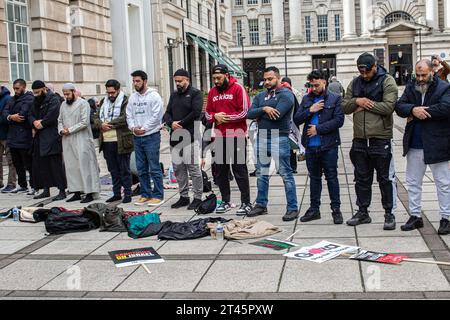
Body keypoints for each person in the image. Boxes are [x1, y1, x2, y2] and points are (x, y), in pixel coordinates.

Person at [342, 52, 398, 231]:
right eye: (361, 72)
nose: (364, 75)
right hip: (359, 138)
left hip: (380, 138)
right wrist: (356, 100)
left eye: (367, 72)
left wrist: (366, 104)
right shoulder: (355, 82)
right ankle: (363, 211)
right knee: (361, 178)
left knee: (385, 178)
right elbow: (344, 106)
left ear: (375, 66)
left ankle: (389, 213)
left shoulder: (387, 81)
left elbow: (389, 107)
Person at [395, 59, 450, 235]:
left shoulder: (443, 87)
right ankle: (415, 215)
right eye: (417, 75)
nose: (420, 78)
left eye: (423, 75)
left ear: (432, 72)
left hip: (437, 143)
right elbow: (399, 106)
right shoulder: (411, 86)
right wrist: (412, 109)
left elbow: (446, 108)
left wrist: (419, 111)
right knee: (413, 182)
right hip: (415, 142)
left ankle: (446, 218)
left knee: (443, 183)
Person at [247, 66, 299, 221]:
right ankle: (261, 205)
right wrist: (265, 108)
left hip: (279, 137)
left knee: (285, 174)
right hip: (262, 136)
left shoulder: (286, 95)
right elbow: (249, 113)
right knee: (261, 173)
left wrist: (261, 114)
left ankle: (292, 208)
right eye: (265, 79)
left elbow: (277, 115)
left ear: (278, 78)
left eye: (270, 79)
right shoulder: (260, 96)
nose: (267, 82)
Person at [294, 70, 345, 224]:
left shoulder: (335, 98)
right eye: (311, 85)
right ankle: (314, 209)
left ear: (324, 82)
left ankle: (336, 210)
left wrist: (318, 129)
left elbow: (339, 121)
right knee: (314, 178)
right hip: (311, 146)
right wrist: (310, 110)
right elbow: (296, 118)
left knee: (331, 177)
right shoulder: (307, 98)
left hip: (328, 145)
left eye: (316, 85)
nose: (314, 88)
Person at [205, 64, 252, 215]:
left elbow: (245, 112)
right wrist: (214, 117)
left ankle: (246, 202)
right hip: (219, 137)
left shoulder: (238, 88)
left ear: (226, 75)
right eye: (214, 78)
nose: (216, 81)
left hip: (236, 135)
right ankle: (225, 201)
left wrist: (223, 118)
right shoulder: (212, 92)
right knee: (221, 171)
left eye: (219, 78)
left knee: (239, 170)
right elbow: (207, 114)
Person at [163, 69, 203, 210]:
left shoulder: (195, 93)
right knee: (178, 170)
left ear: (187, 80)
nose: (178, 83)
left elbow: (196, 112)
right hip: (175, 139)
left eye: (180, 81)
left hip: (190, 137)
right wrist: (170, 123)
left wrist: (180, 123)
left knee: (193, 169)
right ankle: (184, 196)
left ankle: (198, 197)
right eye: (176, 81)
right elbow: (167, 113)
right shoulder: (174, 95)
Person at [126, 70, 165, 207]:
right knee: (141, 168)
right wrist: (132, 128)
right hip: (137, 137)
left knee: (154, 167)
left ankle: (158, 195)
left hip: (151, 136)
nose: (135, 84)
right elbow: (129, 115)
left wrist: (144, 128)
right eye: (134, 81)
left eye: (138, 81)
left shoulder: (154, 96)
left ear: (145, 81)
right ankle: (145, 194)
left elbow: (157, 116)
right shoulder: (132, 97)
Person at [58, 83, 100, 203]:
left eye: (68, 93)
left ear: (73, 91)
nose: (66, 96)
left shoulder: (83, 104)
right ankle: (76, 191)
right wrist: (61, 130)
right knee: (71, 166)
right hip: (67, 139)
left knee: (85, 165)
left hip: (82, 139)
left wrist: (69, 130)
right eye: (64, 94)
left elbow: (84, 122)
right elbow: (59, 120)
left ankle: (89, 192)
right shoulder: (63, 105)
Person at [93, 79, 133, 204]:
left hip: (121, 141)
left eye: (112, 93)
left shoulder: (126, 100)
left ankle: (127, 193)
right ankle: (116, 193)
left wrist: (107, 124)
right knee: (113, 169)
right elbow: (95, 117)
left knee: (124, 169)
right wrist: (101, 125)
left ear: (118, 90)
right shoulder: (104, 101)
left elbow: (125, 117)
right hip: (106, 141)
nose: (110, 95)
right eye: (108, 92)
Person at [29, 81, 67, 200]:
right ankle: (46, 189)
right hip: (39, 137)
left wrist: (42, 123)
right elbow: (30, 114)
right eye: (34, 93)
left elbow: (52, 115)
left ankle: (61, 190)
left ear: (44, 89)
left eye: (37, 92)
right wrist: (33, 122)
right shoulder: (35, 100)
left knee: (55, 165)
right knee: (42, 165)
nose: (36, 95)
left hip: (51, 136)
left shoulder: (53, 99)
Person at [2, 79, 35, 195]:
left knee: (28, 164)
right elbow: (4, 114)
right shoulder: (11, 99)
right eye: (14, 88)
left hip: (24, 137)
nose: (15, 90)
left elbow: (22, 115)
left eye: (17, 88)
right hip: (12, 137)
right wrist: (11, 117)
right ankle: (22, 185)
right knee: (17, 164)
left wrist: (11, 116)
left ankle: (33, 186)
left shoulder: (29, 98)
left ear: (23, 87)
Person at [281, 76, 305, 173]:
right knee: (288, 147)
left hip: (291, 124)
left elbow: (297, 109)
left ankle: (292, 167)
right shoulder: (291, 93)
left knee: (291, 147)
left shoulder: (292, 94)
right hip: (289, 124)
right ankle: (290, 167)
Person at [0, 85, 16, 193]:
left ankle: (11, 183)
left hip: (7, 135)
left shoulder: (8, 99)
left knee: (11, 161)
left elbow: (7, 117)